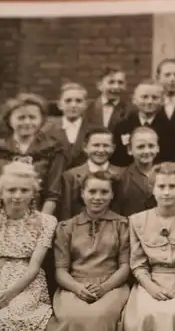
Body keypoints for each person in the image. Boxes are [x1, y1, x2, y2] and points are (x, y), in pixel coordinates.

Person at [48, 171, 130, 331]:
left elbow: (125, 266)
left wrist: (104, 287)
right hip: (74, 285)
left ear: (112, 194)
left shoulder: (122, 225)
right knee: (73, 316)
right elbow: (61, 270)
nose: (98, 197)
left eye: (104, 192)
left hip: (112, 286)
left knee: (100, 315)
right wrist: (77, 288)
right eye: (92, 191)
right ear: (82, 193)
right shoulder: (67, 227)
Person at [123, 162, 175, 331]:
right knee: (146, 313)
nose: (167, 192)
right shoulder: (137, 220)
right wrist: (151, 287)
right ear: (153, 189)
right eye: (161, 186)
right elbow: (138, 264)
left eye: (172, 186)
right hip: (151, 281)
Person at [0, 161, 57, 331]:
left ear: (33, 194)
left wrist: (9, 295)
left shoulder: (46, 221)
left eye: (24, 190)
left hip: (27, 282)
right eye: (11, 190)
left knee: (13, 312)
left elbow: (34, 268)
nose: (17, 196)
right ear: (1, 193)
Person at [0, 93, 65, 215]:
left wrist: (42, 223)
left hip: (40, 214)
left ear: (41, 120)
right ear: (9, 119)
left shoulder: (52, 149)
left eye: (32, 117)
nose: (27, 122)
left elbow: (53, 193)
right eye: (21, 118)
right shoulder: (2, 149)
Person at [59, 127, 123, 221]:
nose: (101, 150)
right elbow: (66, 212)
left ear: (113, 148)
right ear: (85, 147)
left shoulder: (122, 174)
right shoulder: (71, 176)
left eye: (106, 146)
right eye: (96, 145)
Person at [112, 79, 175, 166]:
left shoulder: (172, 129)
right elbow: (118, 158)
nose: (149, 102)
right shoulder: (122, 127)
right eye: (144, 97)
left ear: (162, 101)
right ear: (134, 100)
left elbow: (172, 158)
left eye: (155, 98)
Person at [44, 82, 97, 169]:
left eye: (78, 101)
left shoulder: (94, 131)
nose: (73, 105)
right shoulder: (47, 131)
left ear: (85, 105)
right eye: (68, 101)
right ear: (59, 105)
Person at [112, 127, 159, 217]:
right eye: (140, 147)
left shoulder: (166, 175)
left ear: (158, 148)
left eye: (151, 146)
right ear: (129, 150)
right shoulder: (121, 179)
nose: (146, 151)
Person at [85, 66, 132, 133]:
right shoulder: (87, 108)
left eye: (120, 83)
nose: (116, 87)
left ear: (125, 86)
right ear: (99, 85)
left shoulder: (130, 110)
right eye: (111, 82)